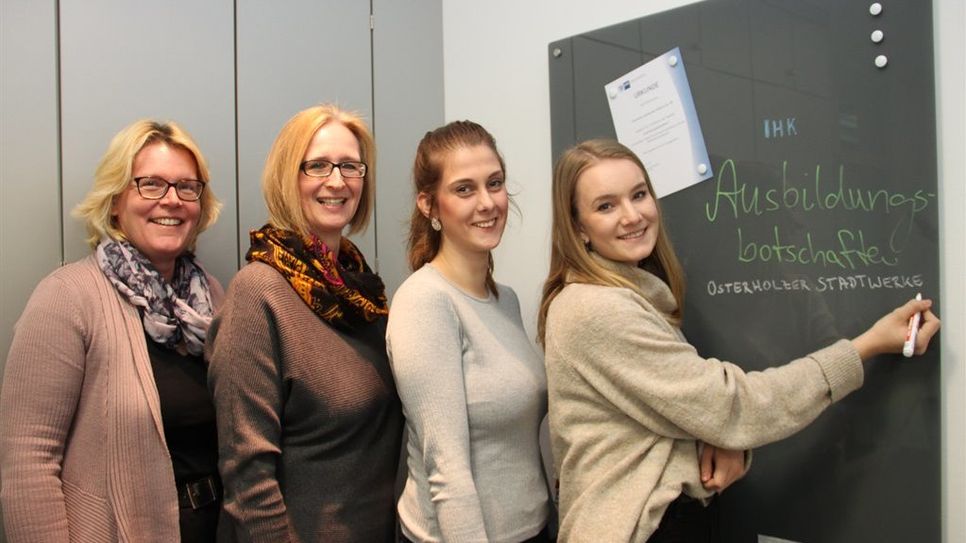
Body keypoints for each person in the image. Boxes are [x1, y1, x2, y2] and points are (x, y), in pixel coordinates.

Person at [537, 139, 941, 543]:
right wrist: (867, 345)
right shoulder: (597, 310)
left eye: (639, 194)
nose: (633, 215)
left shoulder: (636, 294)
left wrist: (721, 434)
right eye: (606, 206)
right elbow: (730, 405)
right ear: (578, 229)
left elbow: (673, 410)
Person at [0, 119, 225, 541]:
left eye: (186, 187)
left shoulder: (211, 299)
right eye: (151, 184)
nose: (172, 200)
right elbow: (28, 462)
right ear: (115, 201)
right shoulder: (67, 297)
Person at [206, 104, 402, 542]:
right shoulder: (257, 294)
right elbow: (247, 477)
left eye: (350, 166)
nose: (337, 181)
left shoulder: (364, 296)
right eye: (317, 165)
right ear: (286, 177)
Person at [386, 120, 552, 543]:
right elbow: (447, 471)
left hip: (531, 529)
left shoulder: (506, 300)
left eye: (494, 183)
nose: (487, 202)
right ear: (429, 204)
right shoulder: (425, 302)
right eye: (464, 189)